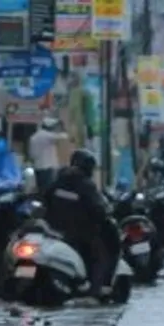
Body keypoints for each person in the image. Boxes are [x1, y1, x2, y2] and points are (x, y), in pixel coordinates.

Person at [41, 149, 119, 297]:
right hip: (81, 233)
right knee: (99, 255)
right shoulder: (86, 185)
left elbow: (45, 199)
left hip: (55, 230)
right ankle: (95, 290)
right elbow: (97, 208)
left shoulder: (58, 181)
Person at [29, 116, 68, 191]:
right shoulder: (46, 135)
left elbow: (32, 154)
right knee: (48, 190)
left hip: (38, 167)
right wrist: (63, 129)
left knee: (40, 189)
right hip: (47, 168)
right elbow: (64, 136)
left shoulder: (34, 137)